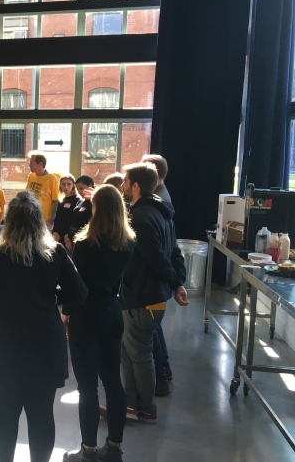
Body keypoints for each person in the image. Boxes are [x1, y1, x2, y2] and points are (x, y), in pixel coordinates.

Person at [0, 191, 87, 462]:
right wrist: (51, 295)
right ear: (39, 222)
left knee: (3, 417)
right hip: (45, 346)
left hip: (5, 347)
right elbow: (79, 294)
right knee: (42, 416)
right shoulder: (55, 252)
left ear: (9, 222)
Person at [61, 185, 135, 462]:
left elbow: (76, 286)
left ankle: (89, 450)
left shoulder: (83, 245)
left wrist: (65, 314)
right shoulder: (128, 244)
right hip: (112, 314)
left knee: (87, 387)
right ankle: (114, 448)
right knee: (113, 383)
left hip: (85, 317)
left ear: (97, 210)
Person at [118, 162, 188, 424]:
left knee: (140, 352)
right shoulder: (161, 212)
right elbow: (174, 253)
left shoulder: (140, 218)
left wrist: (175, 282)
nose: (123, 186)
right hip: (149, 295)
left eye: (125, 182)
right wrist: (178, 282)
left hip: (144, 297)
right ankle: (130, 402)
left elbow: (158, 258)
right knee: (129, 350)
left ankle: (146, 407)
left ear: (136, 186)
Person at [141, 154, 173, 394]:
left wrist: (175, 280)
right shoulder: (162, 200)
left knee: (149, 331)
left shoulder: (152, 207)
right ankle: (164, 370)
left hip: (150, 283)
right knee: (154, 328)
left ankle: (160, 377)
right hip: (157, 281)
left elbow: (157, 254)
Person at [25, 151, 59, 228]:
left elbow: (55, 201)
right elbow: (26, 195)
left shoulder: (51, 178)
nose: (29, 165)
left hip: (44, 220)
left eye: (31, 163)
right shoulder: (31, 176)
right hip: (30, 218)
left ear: (40, 164)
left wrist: (51, 220)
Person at [66, 175, 95, 251]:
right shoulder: (80, 201)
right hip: (72, 237)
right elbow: (73, 218)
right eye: (77, 189)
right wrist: (68, 236)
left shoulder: (94, 203)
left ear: (90, 186)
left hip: (84, 239)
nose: (79, 192)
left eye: (81, 188)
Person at [51, 174, 81, 245]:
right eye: (63, 184)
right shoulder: (61, 201)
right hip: (57, 236)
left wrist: (68, 236)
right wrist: (54, 231)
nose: (66, 187)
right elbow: (57, 218)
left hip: (68, 237)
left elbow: (74, 220)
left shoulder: (77, 200)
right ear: (60, 185)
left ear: (73, 185)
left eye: (69, 184)